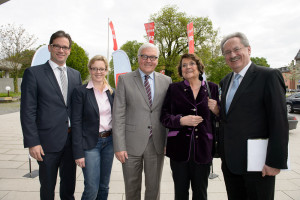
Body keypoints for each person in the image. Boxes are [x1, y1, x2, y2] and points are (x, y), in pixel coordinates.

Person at [219, 32, 289, 200]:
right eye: (227, 52)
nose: (232, 55)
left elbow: (278, 121)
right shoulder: (225, 81)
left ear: (248, 49)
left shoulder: (269, 76)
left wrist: (275, 161)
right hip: (230, 163)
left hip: (258, 165)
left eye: (236, 49)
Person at [20, 30, 82, 200]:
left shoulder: (75, 75)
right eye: (57, 46)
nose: (61, 50)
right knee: (47, 188)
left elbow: (77, 108)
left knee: (69, 187)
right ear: (50, 47)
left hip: (71, 141)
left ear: (69, 50)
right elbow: (27, 111)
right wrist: (33, 142)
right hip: (47, 143)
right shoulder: (33, 73)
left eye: (65, 47)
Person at [112, 43, 172, 200]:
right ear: (138, 58)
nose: (148, 60)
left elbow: (168, 113)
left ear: (157, 60)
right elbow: (118, 114)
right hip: (130, 145)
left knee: (153, 188)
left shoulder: (167, 81)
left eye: (153, 57)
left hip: (157, 143)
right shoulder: (124, 80)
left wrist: (168, 141)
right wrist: (119, 145)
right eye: (144, 56)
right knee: (131, 188)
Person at [160, 53, 219, 200]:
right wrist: (180, 121)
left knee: (200, 192)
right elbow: (164, 117)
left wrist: (217, 109)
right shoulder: (174, 89)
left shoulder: (212, 88)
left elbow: (222, 117)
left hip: (204, 148)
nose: (187, 67)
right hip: (178, 149)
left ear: (199, 67)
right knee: (180, 193)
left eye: (191, 64)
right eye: (184, 65)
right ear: (181, 70)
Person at [71, 55, 114, 200]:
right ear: (90, 70)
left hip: (109, 143)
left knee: (104, 186)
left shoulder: (111, 92)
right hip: (90, 145)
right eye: (94, 68)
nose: (98, 72)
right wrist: (78, 152)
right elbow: (76, 123)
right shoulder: (81, 92)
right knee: (91, 188)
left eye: (101, 69)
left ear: (106, 70)